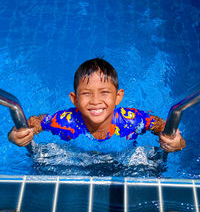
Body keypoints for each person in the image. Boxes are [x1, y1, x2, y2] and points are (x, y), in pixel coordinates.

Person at [8, 58, 186, 152]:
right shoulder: (66, 122)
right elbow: (37, 121)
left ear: (118, 97)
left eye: (104, 92)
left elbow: (157, 124)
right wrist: (18, 133)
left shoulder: (130, 121)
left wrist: (175, 140)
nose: (95, 101)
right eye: (86, 94)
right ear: (75, 100)